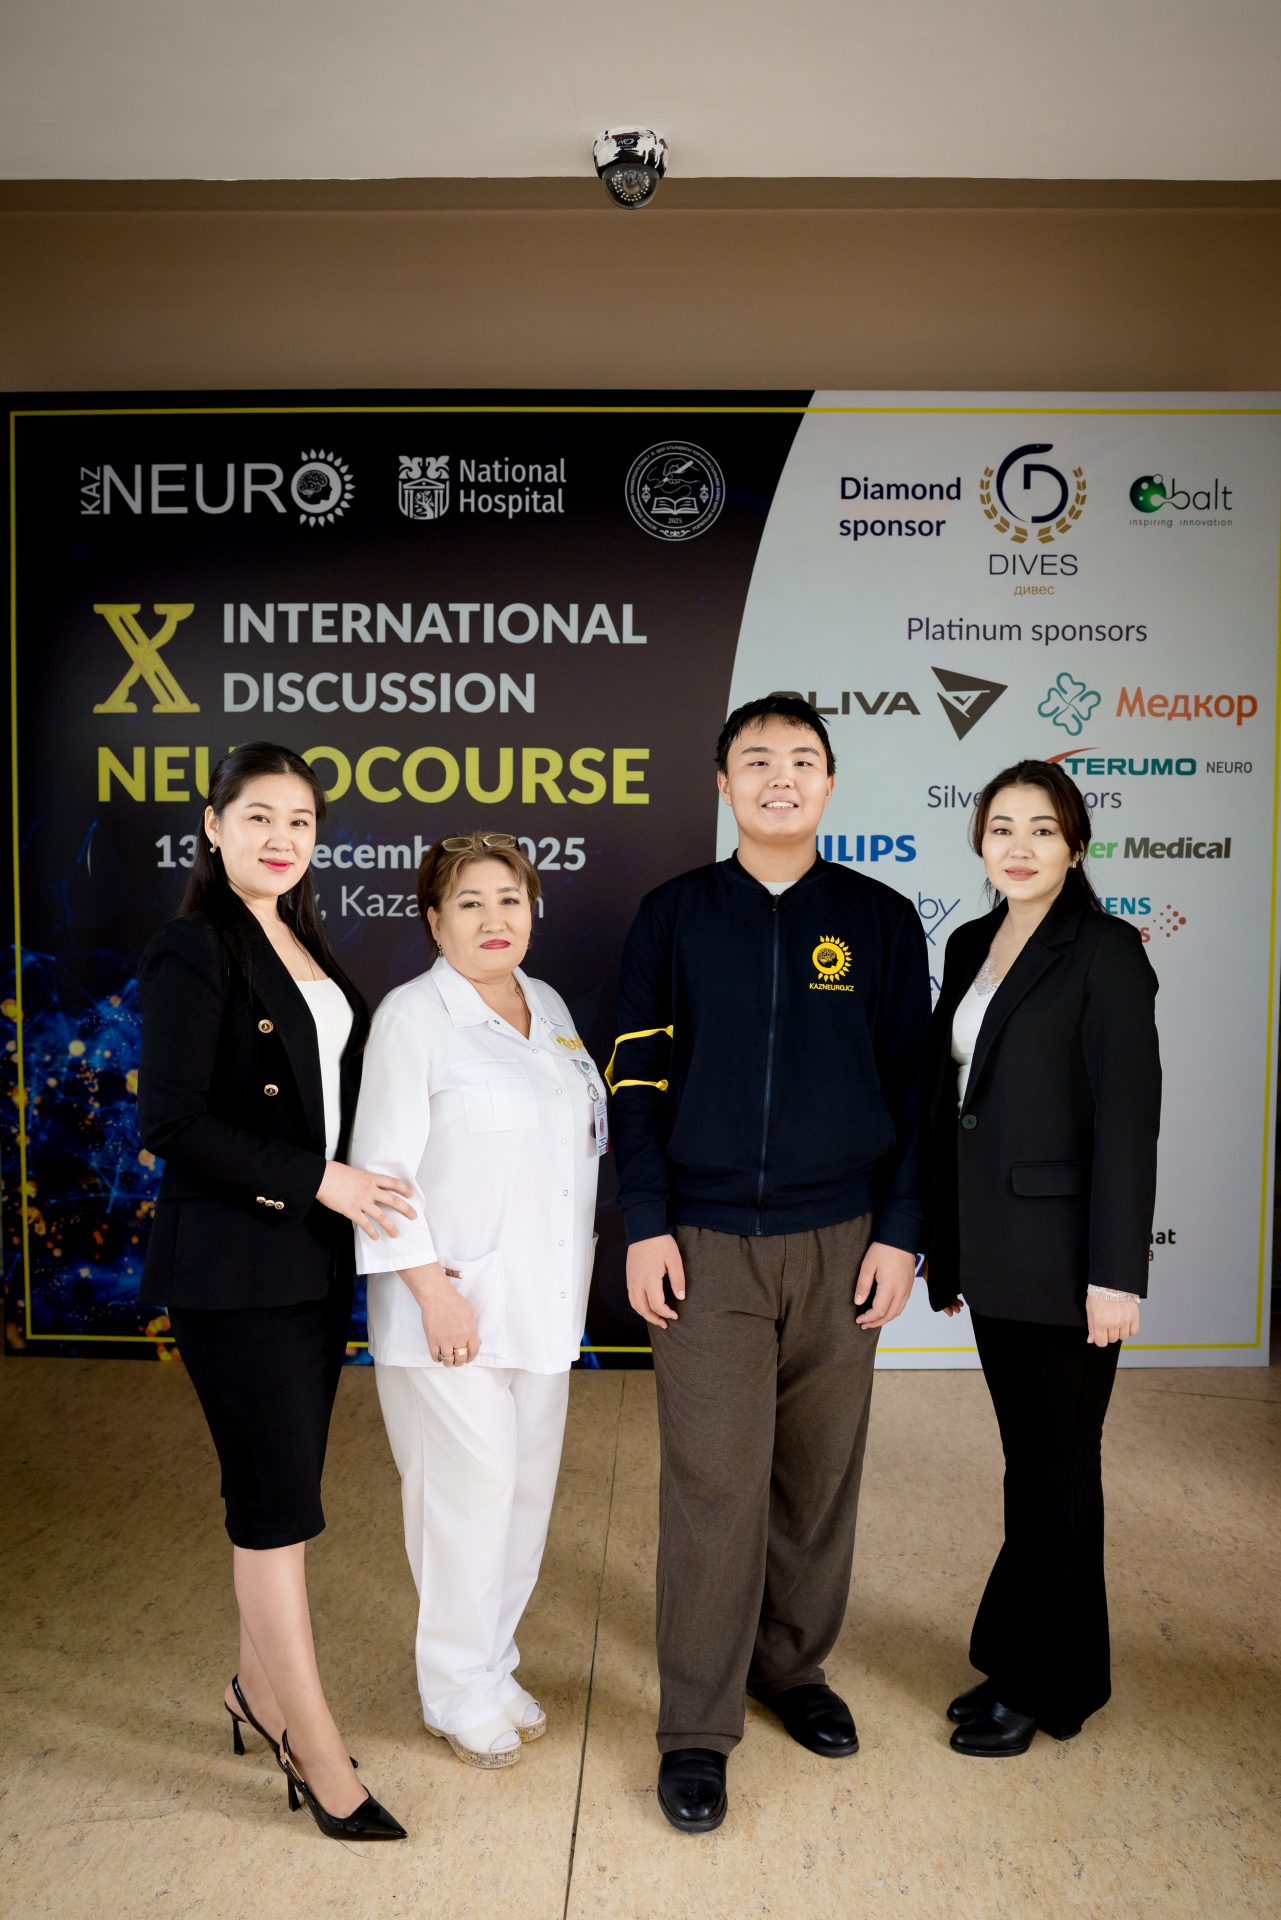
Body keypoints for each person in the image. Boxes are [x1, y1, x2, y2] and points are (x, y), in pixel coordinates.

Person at [610, 694, 931, 1834]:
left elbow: (914, 1090)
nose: (779, 778)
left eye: (801, 760)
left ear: (829, 784)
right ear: (724, 784)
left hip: (844, 1238)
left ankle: (790, 1666)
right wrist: (645, 1220)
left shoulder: (881, 920)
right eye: (756, 760)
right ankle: (697, 1725)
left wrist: (900, 1230)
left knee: (816, 1476)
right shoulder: (675, 915)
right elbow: (634, 1078)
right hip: (703, 1244)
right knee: (713, 1484)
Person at [137, 742, 413, 1842]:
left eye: (300, 820)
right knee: (272, 1513)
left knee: (283, 1497)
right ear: (213, 826)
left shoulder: (303, 941)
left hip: (308, 1265)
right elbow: (172, 1122)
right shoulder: (193, 945)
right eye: (258, 816)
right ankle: (317, 1750)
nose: (281, 838)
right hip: (234, 1269)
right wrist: (320, 1180)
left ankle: (254, 1691)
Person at [349, 831, 602, 1769]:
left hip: (542, 1304)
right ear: (432, 920)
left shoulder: (548, 1004)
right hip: (449, 1310)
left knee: (523, 1499)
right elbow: (380, 1177)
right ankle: (454, 1690)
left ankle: (492, 1668)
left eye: (510, 900)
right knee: (466, 1502)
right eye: (469, 903)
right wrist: (432, 1293)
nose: (494, 920)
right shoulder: (413, 1018)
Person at [924, 759, 1161, 1756]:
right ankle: (1022, 1660)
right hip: (993, 1253)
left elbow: (1127, 1122)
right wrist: (947, 1248)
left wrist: (1116, 1275)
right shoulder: (969, 941)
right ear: (979, 842)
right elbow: (956, 1100)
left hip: (1067, 1264)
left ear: (1075, 845)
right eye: (1001, 829)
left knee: (1057, 1472)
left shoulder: (1105, 951)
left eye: (1041, 829)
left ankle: (1048, 1686)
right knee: (1030, 1467)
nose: (1018, 847)